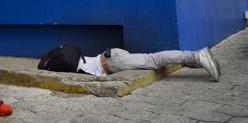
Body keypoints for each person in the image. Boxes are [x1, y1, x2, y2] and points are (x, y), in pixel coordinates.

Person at [77, 47, 221, 81]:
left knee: (153, 60)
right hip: (111, 55)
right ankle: (198, 60)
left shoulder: (66, 67)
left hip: (113, 62)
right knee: (152, 59)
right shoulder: (74, 61)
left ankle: (197, 57)